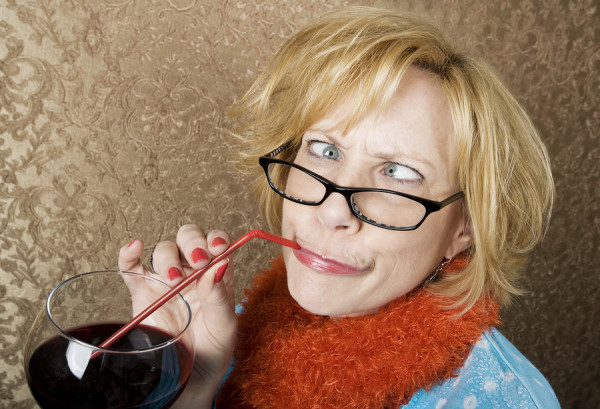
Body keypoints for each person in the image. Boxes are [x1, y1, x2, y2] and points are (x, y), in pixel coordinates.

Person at [119, 7, 560, 409]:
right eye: (326, 150)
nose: (332, 212)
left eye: (399, 173)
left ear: (464, 227)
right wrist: (194, 383)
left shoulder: (501, 398)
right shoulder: (225, 331)